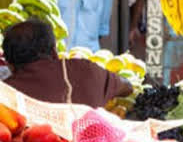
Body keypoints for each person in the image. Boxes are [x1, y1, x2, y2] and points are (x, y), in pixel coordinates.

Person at [2, 20, 131, 107]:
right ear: (54, 51)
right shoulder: (86, 70)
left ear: (10, 65)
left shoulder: (5, 93)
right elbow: (127, 86)